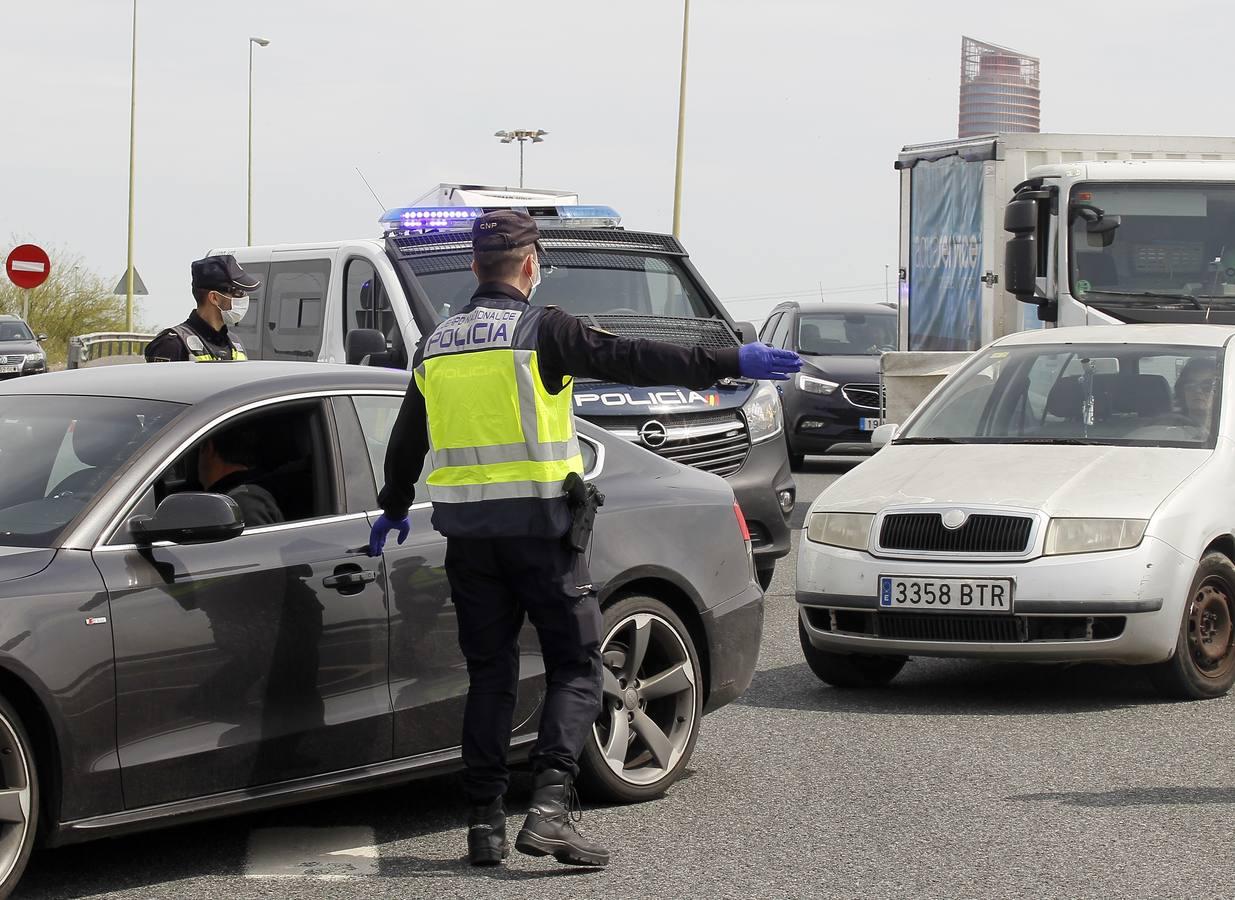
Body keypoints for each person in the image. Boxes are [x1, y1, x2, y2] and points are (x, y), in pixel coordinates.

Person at [367, 209, 802, 869]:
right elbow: (635, 358)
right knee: (575, 666)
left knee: (491, 677)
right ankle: (546, 811)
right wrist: (728, 359)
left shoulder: (438, 342)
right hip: (542, 533)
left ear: (475, 267)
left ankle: (482, 825)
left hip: (468, 539)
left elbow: (407, 439)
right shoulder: (544, 328)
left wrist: (393, 506)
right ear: (530, 263)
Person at [144, 254, 258, 362]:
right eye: (238, 292)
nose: (244, 297)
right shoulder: (173, 345)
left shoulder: (236, 344)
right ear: (214, 298)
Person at [1177, 357, 1219, 428]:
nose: (1198, 390)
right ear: (1182, 391)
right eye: (1191, 385)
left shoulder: (1229, 431)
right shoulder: (1165, 429)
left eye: (1206, 386)